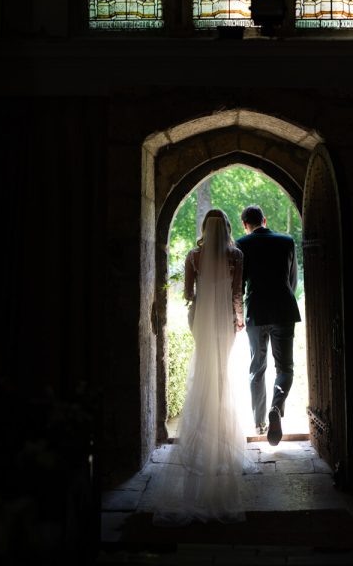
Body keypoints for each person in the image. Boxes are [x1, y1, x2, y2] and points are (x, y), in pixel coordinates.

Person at [152, 209, 246, 525]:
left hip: (202, 321)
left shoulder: (195, 255)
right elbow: (237, 294)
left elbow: (188, 294)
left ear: (206, 228)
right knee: (222, 371)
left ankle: (203, 419)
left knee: (204, 367)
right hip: (224, 322)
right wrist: (238, 318)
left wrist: (199, 302)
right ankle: (220, 421)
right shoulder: (236, 255)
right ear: (229, 227)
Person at [236, 205, 301, 446]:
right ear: (264, 220)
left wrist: (239, 314)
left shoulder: (242, 244)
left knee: (257, 368)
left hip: (256, 312)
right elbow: (292, 281)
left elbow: (239, 284)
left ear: (245, 224)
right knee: (285, 368)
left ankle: (260, 422)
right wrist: (284, 301)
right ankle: (276, 406)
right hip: (284, 310)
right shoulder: (286, 241)